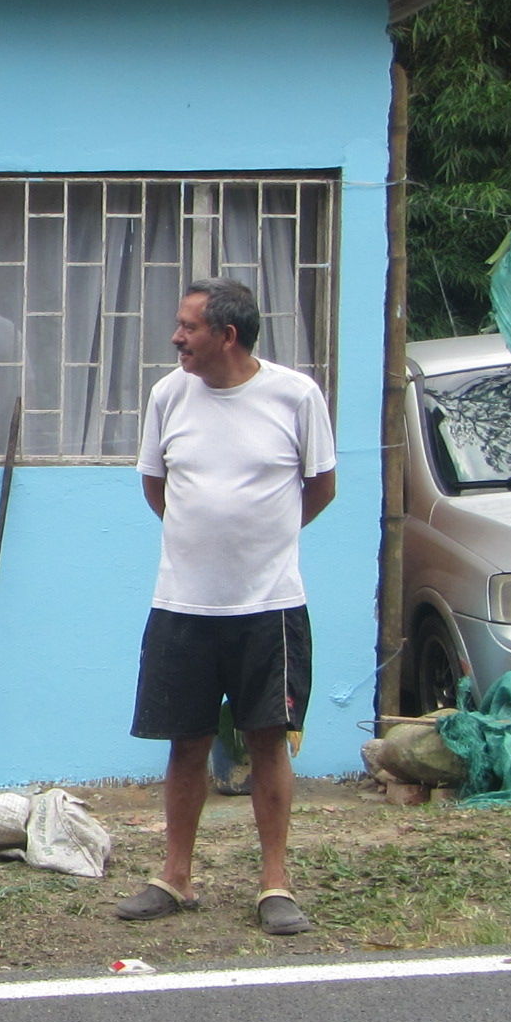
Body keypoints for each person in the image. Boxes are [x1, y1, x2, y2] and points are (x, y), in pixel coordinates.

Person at [117, 279, 336, 936]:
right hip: (183, 605)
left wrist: (264, 541)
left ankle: (275, 885)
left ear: (228, 335)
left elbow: (321, 486)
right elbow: (156, 486)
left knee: (268, 741)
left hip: (270, 606)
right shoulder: (168, 395)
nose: (176, 338)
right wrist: (204, 541)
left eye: (188, 327)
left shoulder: (296, 396)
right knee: (186, 742)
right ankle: (174, 877)